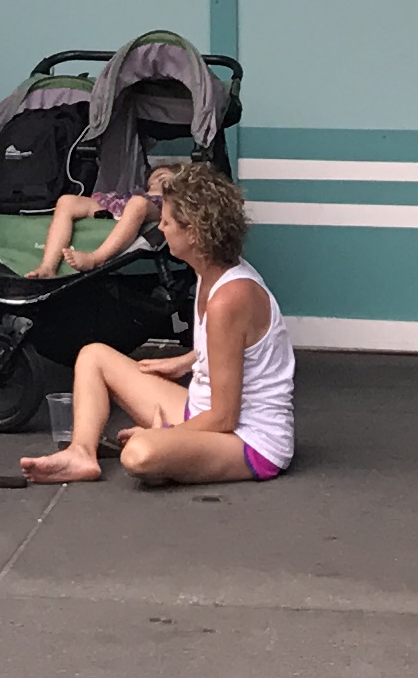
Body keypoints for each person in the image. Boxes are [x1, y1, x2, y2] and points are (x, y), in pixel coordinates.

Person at [16, 161, 293, 485]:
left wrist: (166, 433)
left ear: (193, 232)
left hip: (250, 441)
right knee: (93, 356)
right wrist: (188, 361)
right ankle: (81, 453)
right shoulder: (213, 271)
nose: (160, 228)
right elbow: (244, 346)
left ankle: (167, 449)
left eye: (166, 221)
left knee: (139, 453)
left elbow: (225, 416)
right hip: (202, 411)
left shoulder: (229, 298)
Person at [30, 157, 176, 278]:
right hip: (121, 209)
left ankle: (95, 259)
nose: (158, 181)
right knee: (67, 201)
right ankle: (48, 267)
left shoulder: (175, 199)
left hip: (159, 208)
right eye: (154, 179)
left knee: (138, 203)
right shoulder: (137, 195)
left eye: (164, 177)